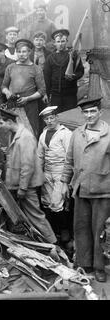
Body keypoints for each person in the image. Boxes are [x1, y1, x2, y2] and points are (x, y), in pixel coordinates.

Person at [60, 97, 110, 282]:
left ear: (100, 112)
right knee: (81, 228)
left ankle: (99, 267)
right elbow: (69, 160)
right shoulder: (77, 134)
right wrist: (64, 182)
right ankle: (84, 263)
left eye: (93, 111)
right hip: (81, 189)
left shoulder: (108, 134)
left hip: (103, 190)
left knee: (99, 231)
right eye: (86, 112)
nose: (89, 115)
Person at [0, 108, 57, 244]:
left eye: (0, 123)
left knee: (36, 217)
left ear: (9, 121)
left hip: (26, 186)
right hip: (17, 184)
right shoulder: (14, 134)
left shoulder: (25, 137)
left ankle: (53, 245)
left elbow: (27, 166)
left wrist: (22, 188)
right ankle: (37, 242)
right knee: (22, 216)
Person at [37, 106, 72, 244]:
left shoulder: (65, 133)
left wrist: (66, 179)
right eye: (47, 118)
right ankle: (52, 232)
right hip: (47, 172)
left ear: (57, 117)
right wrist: (39, 173)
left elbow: (70, 157)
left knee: (57, 203)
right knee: (46, 202)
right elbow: (39, 156)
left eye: (52, 117)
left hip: (60, 171)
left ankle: (64, 230)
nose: (50, 121)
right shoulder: (43, 134)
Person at [2, 39, 47, 138]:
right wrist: (7, 92)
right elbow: (4, 86)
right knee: (14, 132)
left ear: (29, 52)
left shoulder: (36, 69)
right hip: (13, 105)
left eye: (24, 51)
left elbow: (42, 90)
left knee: (30, 132)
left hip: (29, 106)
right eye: (18, 52)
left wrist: (28, 98)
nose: (21, 54)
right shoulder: (10, 67)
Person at [44, 29, 85, 113]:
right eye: (58, 41)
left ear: (67, 41)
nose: (60, 44)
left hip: (70, 94)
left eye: (63, 41)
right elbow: (47, 77)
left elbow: (80, 71)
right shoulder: (50, 58)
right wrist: (47, 94)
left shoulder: (73, 54)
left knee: (70, 116)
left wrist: (74, 76)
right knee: (57, 116)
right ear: (54, 43)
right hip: (55, 94)